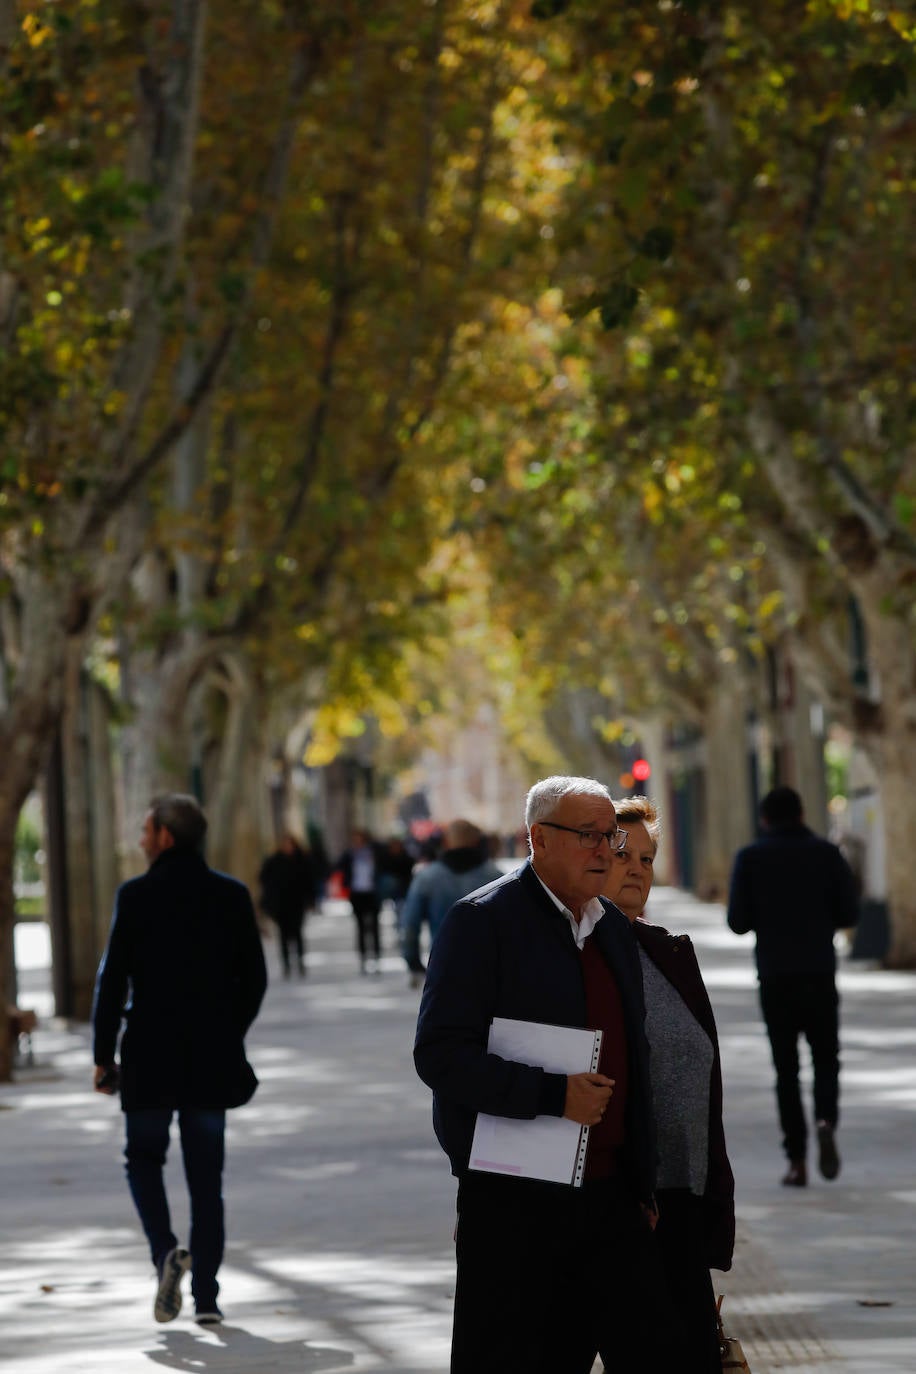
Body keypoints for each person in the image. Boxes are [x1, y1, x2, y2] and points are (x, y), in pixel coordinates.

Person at [414, 775, 680, 1374]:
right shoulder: (481, 923)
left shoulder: (611, 926)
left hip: (613, 1201)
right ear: (538, 838)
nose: (604, 852)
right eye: (588, 836)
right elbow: (439, 1054)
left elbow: (632, 1057)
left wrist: (644, 1180)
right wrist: (552, 1095)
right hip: (514, 1206)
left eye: (609, 837)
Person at [92, 793, 267, 1327]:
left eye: (146, 830)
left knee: (143, 1159)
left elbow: (112, 980)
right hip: (211, 1061)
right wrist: (227, 1030)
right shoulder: (231, 895)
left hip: (148, 1054)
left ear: (165, 836)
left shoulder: (137, 895)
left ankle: (166, 1253)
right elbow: (254, 979)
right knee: (205, 1178)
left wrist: (102, 1055)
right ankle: (207, 1297)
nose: (141, 839)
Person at [604, 796, 734, 1374]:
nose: (637, 869)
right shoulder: (577, 956)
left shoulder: (671, 952)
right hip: (622, 1198)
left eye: (648, 858)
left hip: (684, 1189)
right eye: (623, 854)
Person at [727, 785, 859, 1187]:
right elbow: (848, 912)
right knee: (825, 1059)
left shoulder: (750, 858)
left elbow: (738, 921)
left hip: (775, 976)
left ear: (764, 819)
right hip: (819, 972)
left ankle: (797, 1160)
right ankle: (825, 1120)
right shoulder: (826, 853)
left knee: (786, 1070)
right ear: (802, 814)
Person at [400, 819, 501, 987]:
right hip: (488, 968)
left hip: (444, 965)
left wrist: (414, 962)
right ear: (476, 842)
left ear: (446, 842)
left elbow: (410, 925)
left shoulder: (427, 878)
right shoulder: (497, 877)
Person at [258, 833, 314, 978]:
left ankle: (300, 962)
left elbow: (308, 881)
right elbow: (263, 879)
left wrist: (310, 900)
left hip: (297, 903)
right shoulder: (274, 861)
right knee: (283, 935)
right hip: (281, 904)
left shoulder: (301, 860)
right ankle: (287, 965)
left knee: (297, 934)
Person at [337, 828, 384, 974]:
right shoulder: (350, 855)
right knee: (361, 927)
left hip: (372, 893)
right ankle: (363, 958)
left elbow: (383, 866)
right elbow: (339, 867)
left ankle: (376, 957)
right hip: (357, 894)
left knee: (375, 927)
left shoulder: (374, 852)